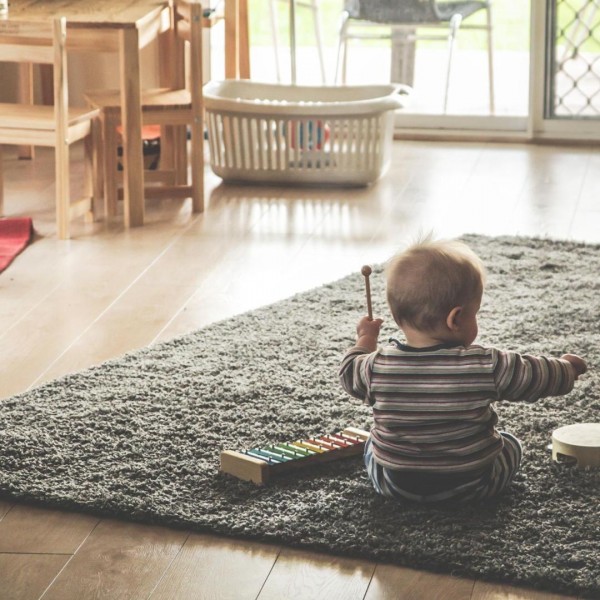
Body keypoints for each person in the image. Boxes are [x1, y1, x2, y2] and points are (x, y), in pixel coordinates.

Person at [339, 237, 587, 503]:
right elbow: (534, 375)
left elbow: (348, 371)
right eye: (475, 313)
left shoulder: (375, 367)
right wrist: (567, 368)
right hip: (473, 484)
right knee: (511, 443)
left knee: (371, 445)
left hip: (395, 485)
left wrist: (365, 339)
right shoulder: (485, 364)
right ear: (455, 319)